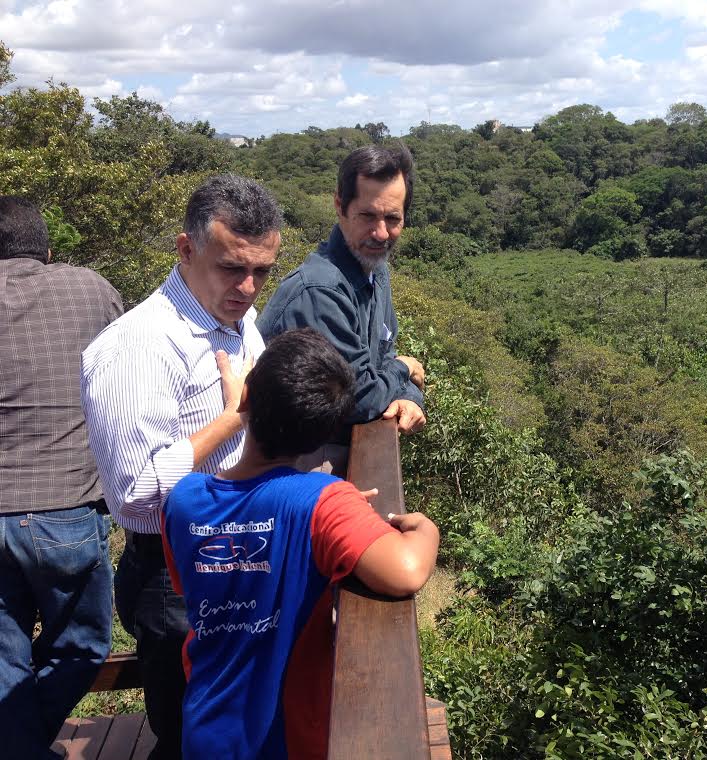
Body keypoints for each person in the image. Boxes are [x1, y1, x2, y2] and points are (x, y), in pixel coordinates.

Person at [161, 328, 439, 759]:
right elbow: (405, 570)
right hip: (284, 736)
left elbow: (203, 575)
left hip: (204, 727)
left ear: (245, 398)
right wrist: (425, 529)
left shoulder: (182, 500)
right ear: (323, 432)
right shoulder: (322, 502)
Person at [81, 175, 283, 760]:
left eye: (262, 271)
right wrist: (232, 418)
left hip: (237, 549)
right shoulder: (138, 347)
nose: (248, 288)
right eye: (232, 268)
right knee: (192, 733)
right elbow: (137, 498)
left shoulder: (236, 316)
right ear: (186, 249)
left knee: (235, 722)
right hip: (174, 573)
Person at [0, 196, 123, 759]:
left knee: (4, 659)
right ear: (47, 251)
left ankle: (17, 744)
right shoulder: (89, 289)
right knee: (80, 648)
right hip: (64, 508)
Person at [257, 144, 426, 474]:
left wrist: (409, 398)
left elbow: (381, 359)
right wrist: (405, 368)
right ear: (339, 205)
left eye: (392, 219)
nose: (380, 233)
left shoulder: (374, 269)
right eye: (367, 215)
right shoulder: (321, 290)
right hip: (292, 467)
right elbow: (359, 399)